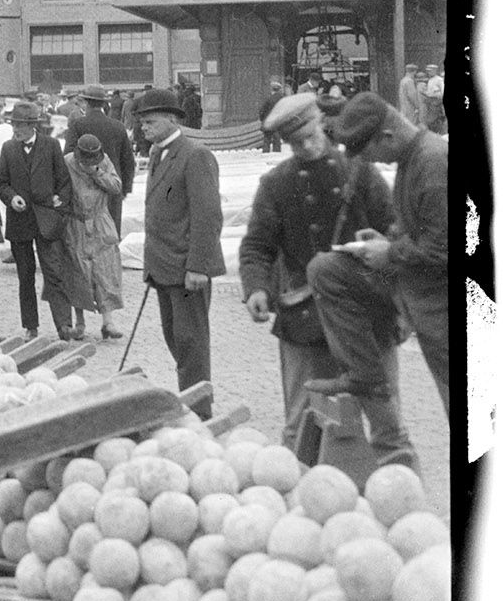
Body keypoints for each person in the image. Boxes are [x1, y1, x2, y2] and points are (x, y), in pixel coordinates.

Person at [239, 92, 400, 469]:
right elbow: (256, 246)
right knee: (302, 420)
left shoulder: (359, 172)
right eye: (297, 143)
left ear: (322, 126)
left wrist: (384, 252)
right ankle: (299, 497)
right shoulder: (276, 184)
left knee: (385, 414)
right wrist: (257, 288)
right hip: (306, 317)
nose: (308, 146)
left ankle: (392, 492)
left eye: (312, 136)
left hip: (367, 314)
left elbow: (395, 228)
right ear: (285, 143)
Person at [305, 91, 448, 451]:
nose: (372, 162)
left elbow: (445, 247)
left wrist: (390, 251)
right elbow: (420, 227)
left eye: (370, 153)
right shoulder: (414, 160)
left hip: (443, 312)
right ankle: (365, 375)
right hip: (422, 301)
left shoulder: (433, 163)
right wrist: (387, 239)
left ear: (387, 135)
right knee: (327, 270)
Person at [134, 85, 225, 401]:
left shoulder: (195, 155)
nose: (144, 128)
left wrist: (199, 265)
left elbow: (207, 215)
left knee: (191, 343)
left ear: (173, 119)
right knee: (176, 340)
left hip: (187, 269)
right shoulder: (159, 154)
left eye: (151, 122)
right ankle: (192, 400)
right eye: (142, 123)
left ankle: (199, 411)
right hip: (163, 267)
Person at [0, 101, 74, 339]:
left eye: (20, 125)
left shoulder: (51, 146)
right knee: (25, 276)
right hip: (20, 223)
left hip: (47, 221)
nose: (15, 129)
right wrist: (12, 197)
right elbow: (0, 184)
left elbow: (64, 181)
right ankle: (31, 326)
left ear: (32, 126)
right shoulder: (8, 148)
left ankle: (63, 324)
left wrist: (60, 208)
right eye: (14, 124)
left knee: (54, 273)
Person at [65, 134, 126, 341]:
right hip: (77, 223)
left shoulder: (104, 162)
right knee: (78, 271)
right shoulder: (67, 163)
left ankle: (108, 322)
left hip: (100, 222)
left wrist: (98, 173)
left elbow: (117, 186)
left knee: (105, 270)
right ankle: (79, 322)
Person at [75, 87, 134, 237]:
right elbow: (128, 161)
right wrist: (125, 188)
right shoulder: (118, 126)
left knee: (87, 238)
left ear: (86, 104)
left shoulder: (78, 125)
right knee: (111, 234)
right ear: (103, 104)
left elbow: (69, 156)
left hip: (84, 188)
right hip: (113, 187)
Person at [259, 79, 287, 152]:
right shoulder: (283, 99)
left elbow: (262, 111)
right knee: (277, 140)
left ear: (272, 90)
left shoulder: (268, 99)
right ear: (279, 90)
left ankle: (265, 154)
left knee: (267, 140)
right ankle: (276, 153)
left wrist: (263, 119)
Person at [396, 62, 424, 128]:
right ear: (414, 72)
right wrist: (417, 106)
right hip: (410, 109)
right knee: (411, 126)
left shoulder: (403, 80)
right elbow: (412, 96)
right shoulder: (409, 81)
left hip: (403, 107)